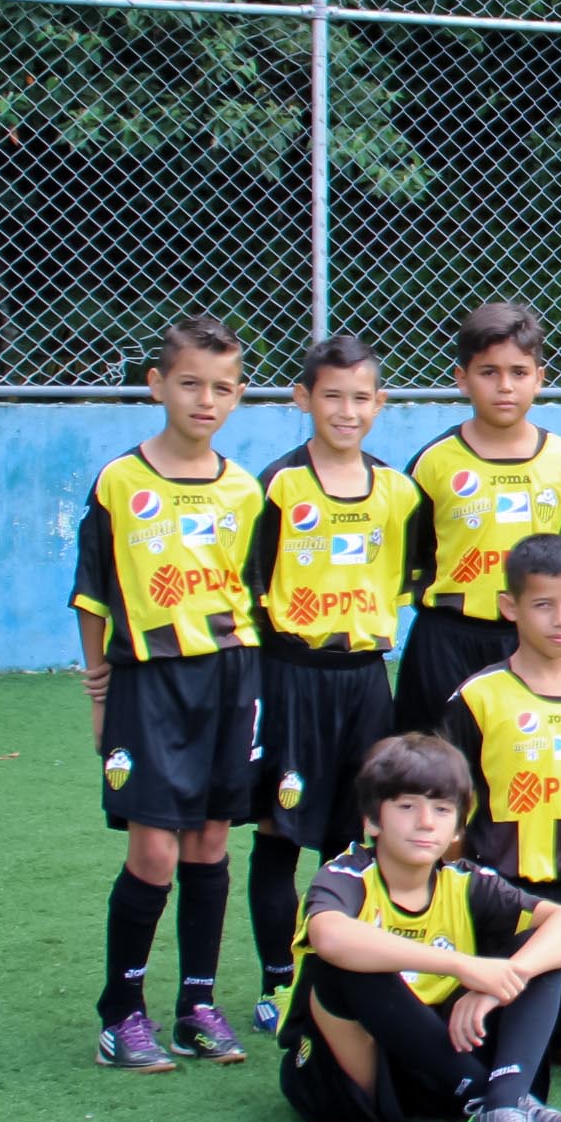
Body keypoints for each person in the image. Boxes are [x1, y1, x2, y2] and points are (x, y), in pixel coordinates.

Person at [78, 315, 268, 1072]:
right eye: (190, 383)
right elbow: (93, 596)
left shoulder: (245, 489)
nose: (205, 400)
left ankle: (196, 1005)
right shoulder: (121, 482)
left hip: (230, 676)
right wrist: (99, 696)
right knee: (153, 849)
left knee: (211, 841)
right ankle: (121, 1013)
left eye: (222, 387)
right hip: (148, 682)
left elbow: (254, 594)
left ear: (238, 396)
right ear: (157, 384)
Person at [276, 733, 561, 1122]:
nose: (426, 822)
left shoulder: (465, 881)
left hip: (445, 1067)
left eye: (442, 809)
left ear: (459, 826)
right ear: (372, 819)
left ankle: (499, 1108)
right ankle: (500, 1103)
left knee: (538, 953)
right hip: (353, 1075)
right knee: (344, 964)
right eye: (406, 807)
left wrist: (499, 982)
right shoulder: (346, 874)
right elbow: (330, 937)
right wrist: (463, 966)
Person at [243, 333, 421, 1036]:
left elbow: (414, 571)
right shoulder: (278, 485)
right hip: (290, 675)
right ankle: (276, 981)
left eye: (361, 398)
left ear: (380, 403)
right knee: (278, 831)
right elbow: (252, 580)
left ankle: (343, 971)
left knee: (356, 836)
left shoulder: (397, 491)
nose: (347, 411)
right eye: (332, 397)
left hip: (364, 680)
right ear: (302, 399)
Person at [441, 535, 561, 1064]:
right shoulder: (479, 697)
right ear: (510, 607)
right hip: (505, 890)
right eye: (543, 605)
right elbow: (452, 811)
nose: (560, 620)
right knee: (503, 1044)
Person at [395, 302, 561, 729]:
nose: (505, 386)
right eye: (489, 373)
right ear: (462, 380)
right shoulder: (433, 464)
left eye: (519, 373)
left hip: (529, 642)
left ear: (540, 379)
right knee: (433, 772)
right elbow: (409, 557)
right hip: (445, 640)